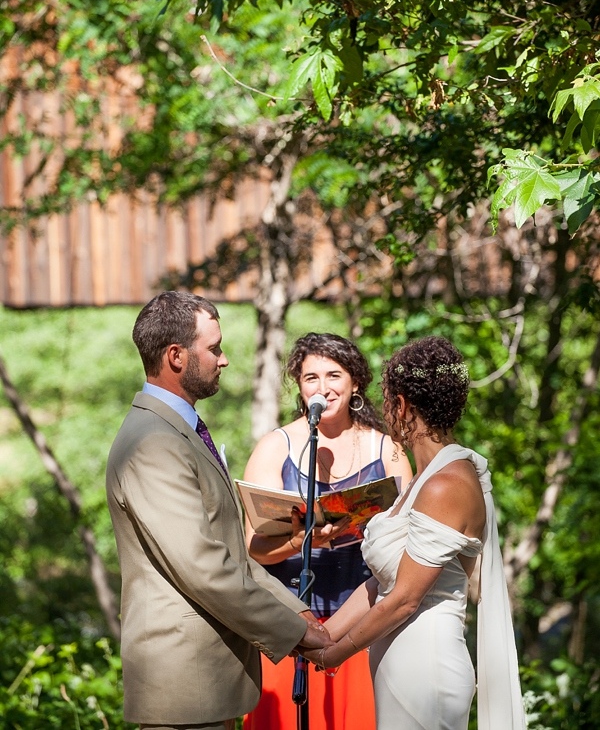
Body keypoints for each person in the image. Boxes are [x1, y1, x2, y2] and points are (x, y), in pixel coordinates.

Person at [105, 291, 331, 730]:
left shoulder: (178, 430)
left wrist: (294, 607)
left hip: (207, 683)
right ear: (176, 356)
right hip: (184, 687)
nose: (223, 359)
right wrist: (294, 630)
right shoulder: (153, 444)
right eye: (214, 348)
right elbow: (204, 566)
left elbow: (227, 549)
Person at [302, 335, 527, 730]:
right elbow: (384, 583)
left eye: (387, 402)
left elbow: (405, 599)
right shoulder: (421, 480)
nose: (385, 413)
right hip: (400, 664)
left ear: (402, 405)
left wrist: (335, 655)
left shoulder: (447, 484)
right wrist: (322, 633)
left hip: (427, 671)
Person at [243, 332, 413, 730]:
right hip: (290, 627)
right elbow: (253, 547)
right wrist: (300, 540)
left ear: (354, 382)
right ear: (300, 387)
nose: (323, 388)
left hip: (363, 625)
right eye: (311, 378)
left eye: (334, 376)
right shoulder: (275, 447)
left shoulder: (388, 450)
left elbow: (408, 540)